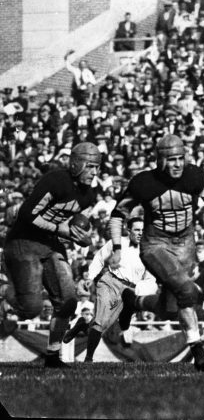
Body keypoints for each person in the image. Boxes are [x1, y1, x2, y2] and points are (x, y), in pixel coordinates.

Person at [108, 134, 204, 371]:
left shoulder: (195, 176)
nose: (178, 164)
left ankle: (132, 302)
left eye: (181, 158)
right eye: (172, 159)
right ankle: (198, 350)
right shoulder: (144, 183)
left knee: (171, 308)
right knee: (187, 289)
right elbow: (118, 214)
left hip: (186, 241)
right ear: (160, 161)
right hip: (155, 243)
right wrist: (117, 247)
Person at [3, 143, 100, 368]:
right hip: (23, 242)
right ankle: (4, 290)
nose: (95, 173)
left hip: (50, 244)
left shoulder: (88, 195)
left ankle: (53, 355)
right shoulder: (56, 180)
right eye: (91, 167)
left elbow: (75, 227)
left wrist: (83, 238)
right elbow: (27, 214)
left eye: (97, 167)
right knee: (31, 309)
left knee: (68, 302)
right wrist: (60, 230)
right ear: (76, 165)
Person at [62, 217, 155, 362]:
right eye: (137, 230)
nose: (140, 233)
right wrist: (90, 277)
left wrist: (142, 292)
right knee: (100, 321)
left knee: (103, 326)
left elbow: (149, 278)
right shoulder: (117, 243)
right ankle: (88, 359)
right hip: (110, 283)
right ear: (128, 230)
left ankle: (82, 325)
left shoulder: (148, 249)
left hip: (129, 290)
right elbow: (99, 257)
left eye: (143, 230)